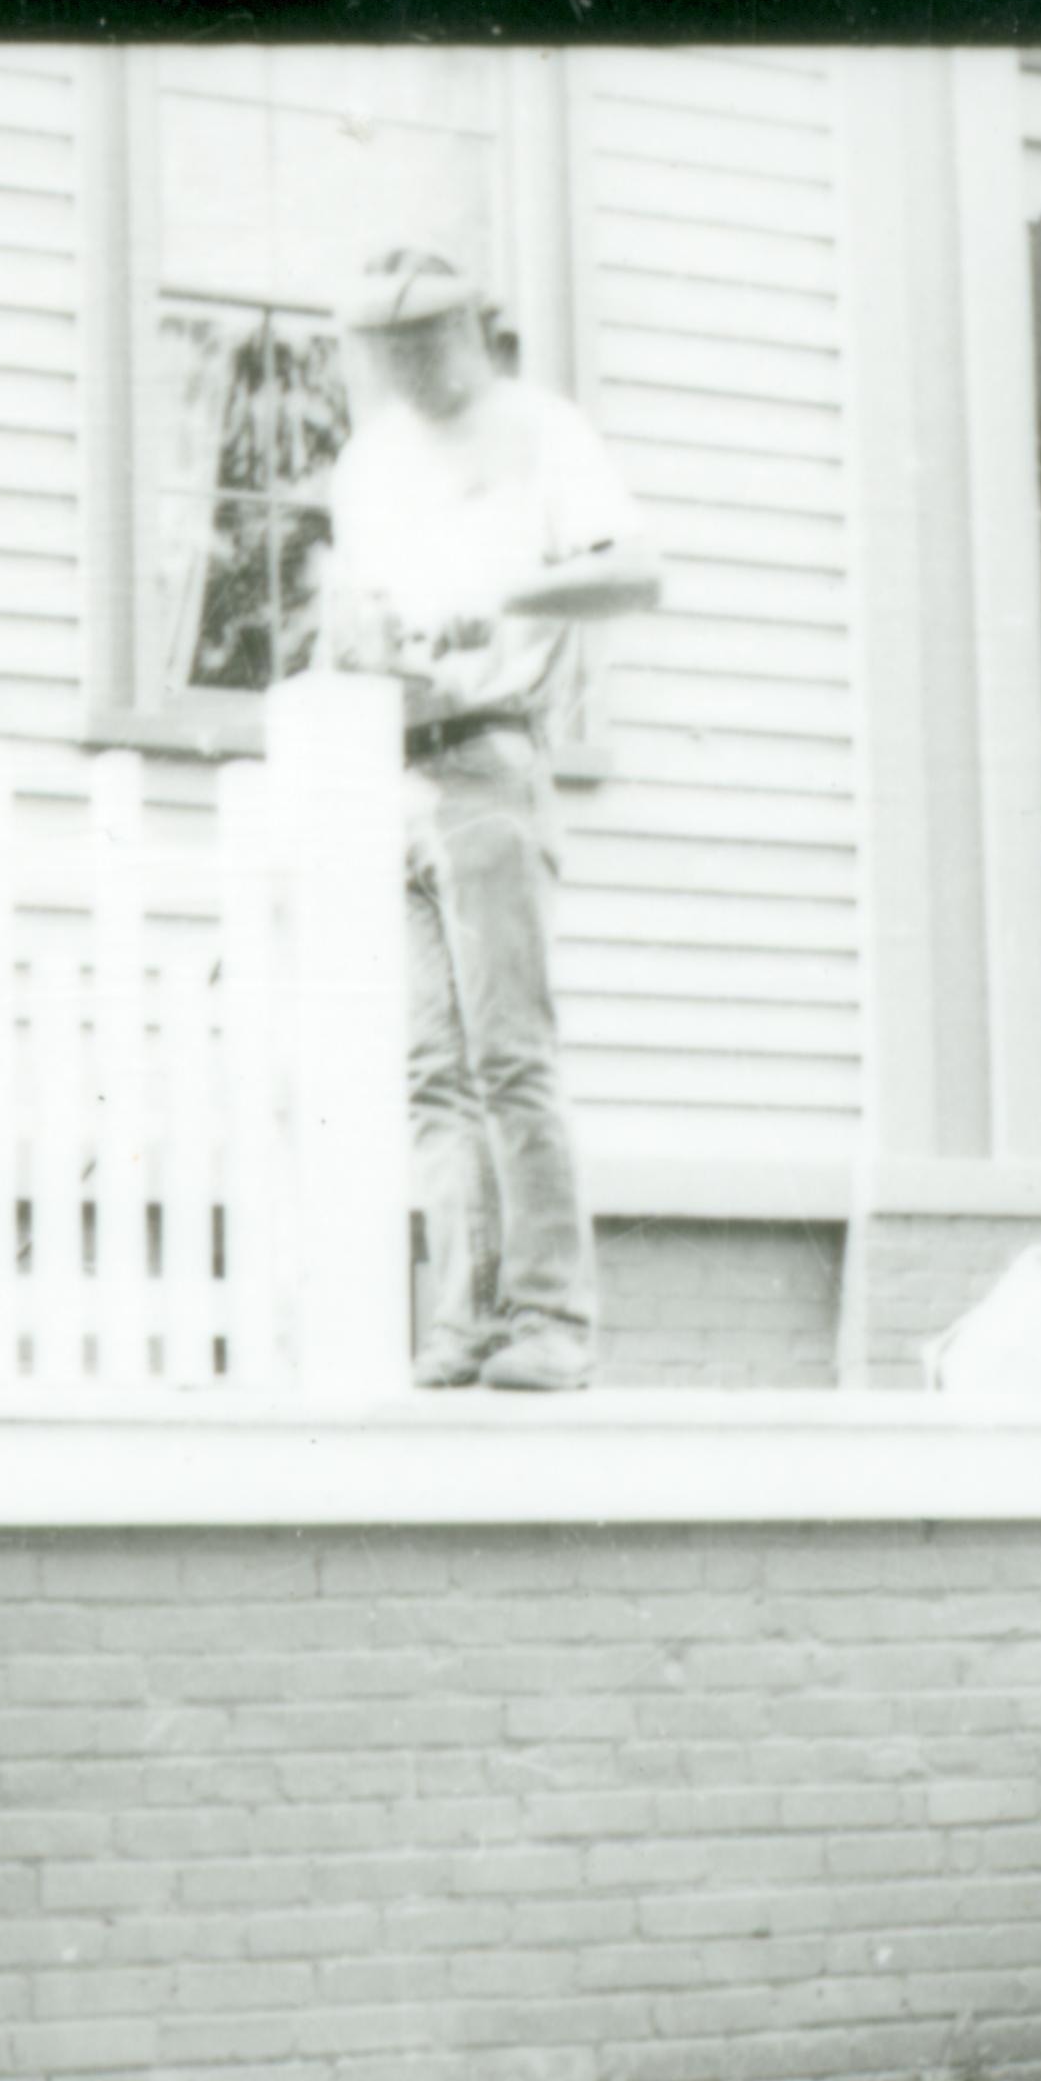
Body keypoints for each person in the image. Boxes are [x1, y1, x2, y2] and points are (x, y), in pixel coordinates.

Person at [323, 245, 661, 1393]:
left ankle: (551, 1320)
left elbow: (637, 571)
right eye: (384, 342)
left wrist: (496, 593)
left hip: (487, 759)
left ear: (473, 328)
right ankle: (464, 1322)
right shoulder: (368, 464)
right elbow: (362, 611)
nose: (406, 359)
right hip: (389, 772)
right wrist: (358, 641)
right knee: (429, 1069)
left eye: (425, 334)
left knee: (510, 1054)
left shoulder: (538, 429)